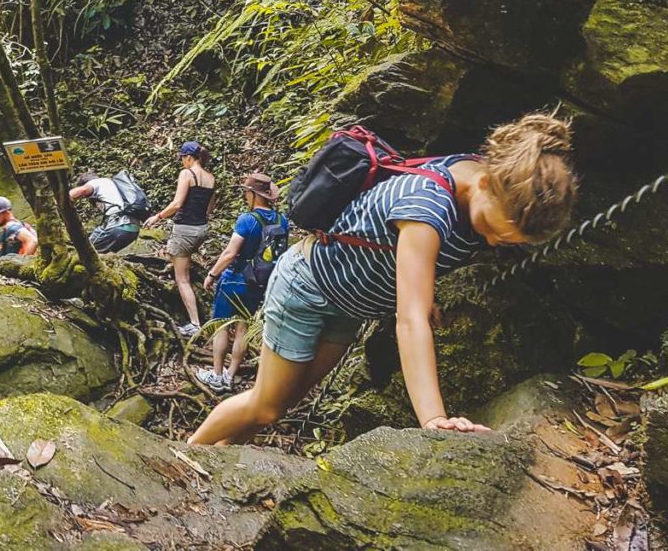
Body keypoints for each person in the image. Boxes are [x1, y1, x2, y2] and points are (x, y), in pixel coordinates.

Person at [189, 112, 578, 445]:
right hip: (306, 290)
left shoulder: (480, 172)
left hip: (349, 307)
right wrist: (433, 419)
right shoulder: (427, 206)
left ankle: (221, 460)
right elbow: (408, 320)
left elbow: (410, 262)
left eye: (506, 240)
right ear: (485, 184)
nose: (492, 241)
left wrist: (426, 294)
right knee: (267, 404)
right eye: (492, 229)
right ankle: (189, 455)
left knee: (279, 404)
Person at [199, 173, 289, 393]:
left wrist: (212, 274)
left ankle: (217, 375)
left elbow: (230, 252)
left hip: (235, 279)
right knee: (243, 329)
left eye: (246, 192)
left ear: (253, 195)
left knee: (221, 326)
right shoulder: (282, 220)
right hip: (260, 282)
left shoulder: (247, 220)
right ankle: (231, 376)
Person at [143, 141, 216, 337]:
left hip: (185, 229)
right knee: (181, 261)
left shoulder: (187, 174)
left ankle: (194, 323)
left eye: (182, 158)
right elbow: (209, 209)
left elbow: (177, 204)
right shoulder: (211, 178)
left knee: (182, 279)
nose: (182, 161)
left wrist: (157, 217)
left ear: (190, 158)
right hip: (201, 230)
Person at [69, 172, 141, 253]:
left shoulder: (95, 182)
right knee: (102, 257)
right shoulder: (112, 184)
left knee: (83, 252)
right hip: (133, 230)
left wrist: (61, 199)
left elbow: (83, 190)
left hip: (117, 226)